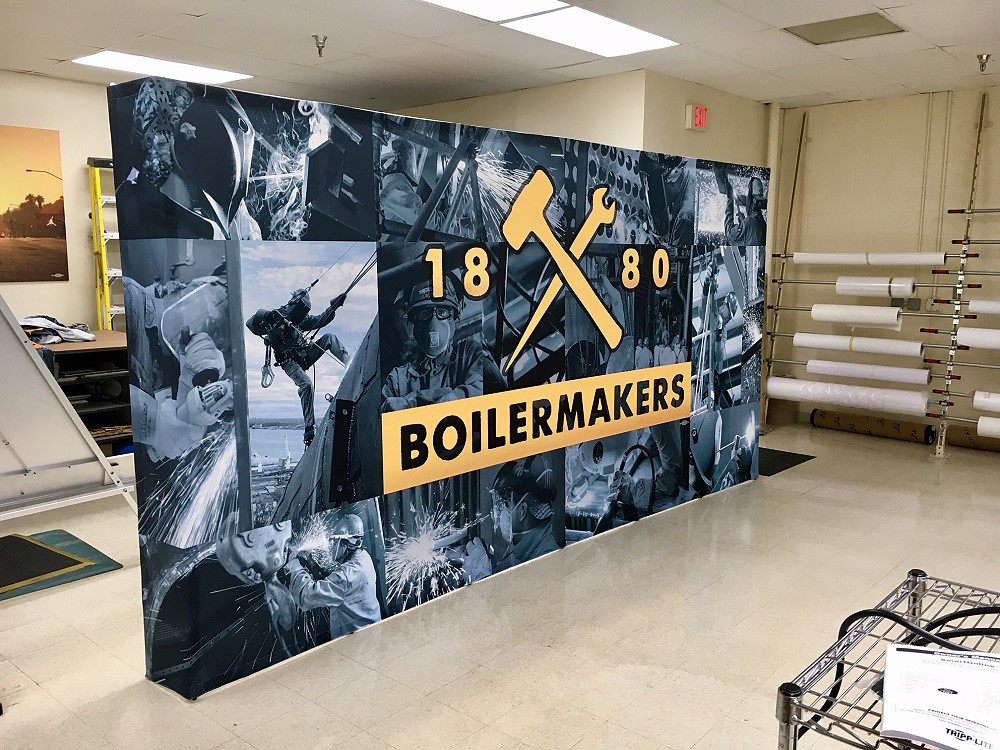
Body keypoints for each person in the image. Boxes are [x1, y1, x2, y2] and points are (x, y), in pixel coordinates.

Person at [246, 288, 348, 446]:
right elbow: (251, 324)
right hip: (289, 362)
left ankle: (349, 364)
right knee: (306, 385)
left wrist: (333, 307)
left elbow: (321, 320)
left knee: (329, 338)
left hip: (305, 355)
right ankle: (309, 427)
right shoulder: (276, 318)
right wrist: (266, 315)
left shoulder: (302, 320)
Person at [382, 278, 482, 412]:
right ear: (414, 324)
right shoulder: (398, 379)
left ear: (453, 317)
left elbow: (484, 392)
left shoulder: (470, 354)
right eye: (423, 314)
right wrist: (447, 395)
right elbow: (386, 413)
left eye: (442, 312)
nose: (433, 321)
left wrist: (411, 402)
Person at [279, 514, 382, 639]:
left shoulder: (346, 576)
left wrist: (294, 565)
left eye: (333, 541)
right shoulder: (363, 557)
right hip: (372, 631)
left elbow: (307, 596)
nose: (330, 546)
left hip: (357, 641)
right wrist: (311, 563)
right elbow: (334, 581)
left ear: (343, 543)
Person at [490, 455, 559, 570]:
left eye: (505, 504)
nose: (499, 512)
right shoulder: (523, 550)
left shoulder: (547, 557)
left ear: (522, 510)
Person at [720, 169, 767, 247]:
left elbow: (729, 233)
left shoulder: (749, 222)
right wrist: (743, 221)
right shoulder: (762, 222)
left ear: (753, 200)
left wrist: (730, 199)